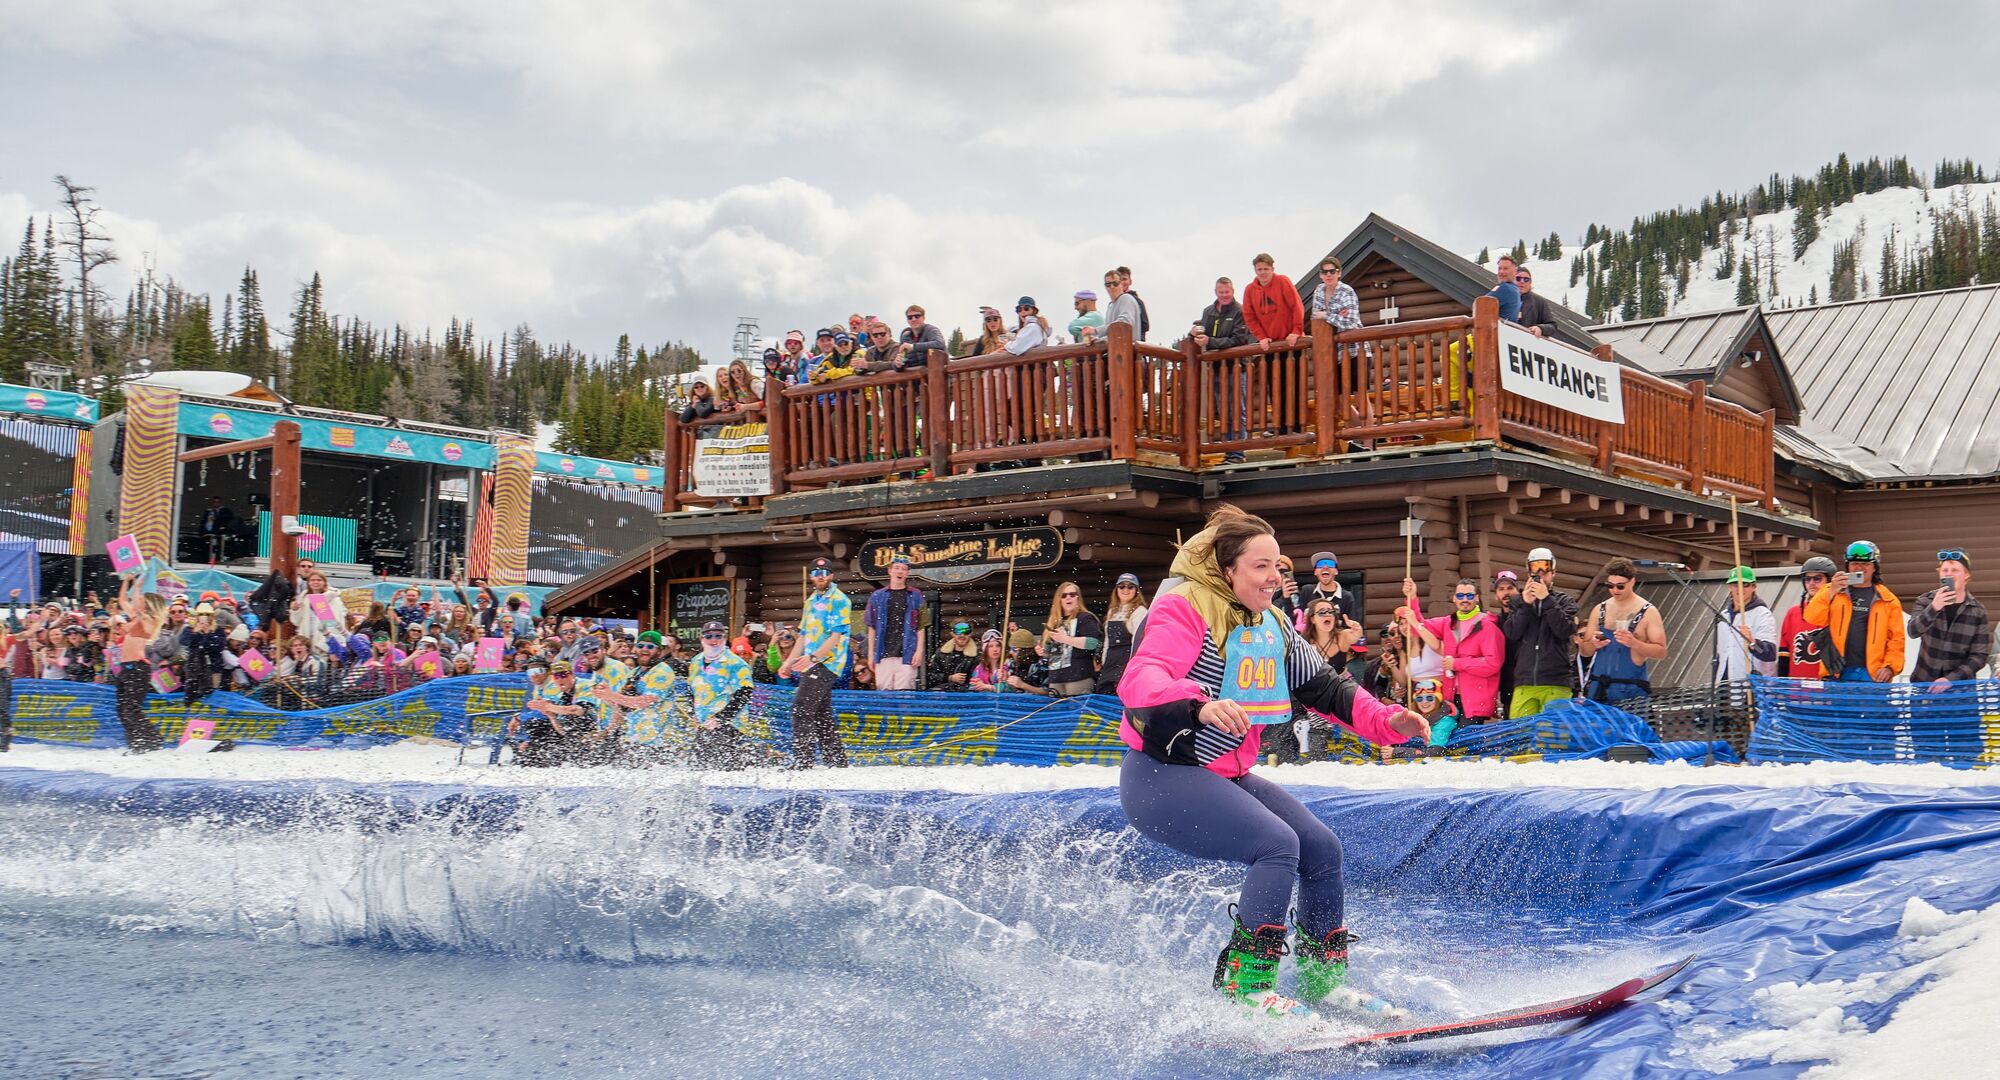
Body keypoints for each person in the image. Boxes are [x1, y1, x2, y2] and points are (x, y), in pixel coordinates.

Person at [1118, 505, 1425, 1018]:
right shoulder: (1182, 609)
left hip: (1227, 775)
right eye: (1260, 566)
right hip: (1161, 778)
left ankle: (1322, 981)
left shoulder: (1273, 624)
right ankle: (1246, 983)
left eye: (1279, 565)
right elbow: (1142, 678)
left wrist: (1386, 721)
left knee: (1320, 848)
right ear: (1227, 570)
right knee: (1277, 844)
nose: (1275, 576)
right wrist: (1198, 703)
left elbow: (1327, 687)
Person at [780, 557, 850, 768]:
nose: (820, 577)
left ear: (831, 575)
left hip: (827, 662)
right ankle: (837, 762)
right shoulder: (810, 601)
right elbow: (803, 636)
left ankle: (803, 763)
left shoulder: (840, 600)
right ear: (811, 576)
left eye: (824, 573)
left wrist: (812, 658)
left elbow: (835, 637)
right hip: (810, 662)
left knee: (800, 708)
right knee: (822, 714)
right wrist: (788, 663)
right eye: (816, 573)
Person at [1804, 540, 1905, 683]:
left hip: (1873, 675)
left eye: (1865, 563)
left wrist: (1890, 667)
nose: (1859, 567)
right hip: (1836, 672)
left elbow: (1897, 640)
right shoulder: (1832, 590)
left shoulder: (1888, 600)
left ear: (1874, 567)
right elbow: (1812, 618)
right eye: (1854, 563)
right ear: (1847, 566)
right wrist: (1831, 591)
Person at [1578, 557, 1667, 704]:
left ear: (1632, 581)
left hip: (1631, 691)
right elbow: (1584, 651)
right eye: (1610, 586)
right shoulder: (1599, 609)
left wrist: (1635, 643)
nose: (1614, 590)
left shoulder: (1648, 612)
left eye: (1620, 586)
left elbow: (1661, 652)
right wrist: (1593, 644)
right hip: (1599, 690)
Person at [1420, 578, 1507, 729]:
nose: (1465, 599)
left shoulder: (1488, 626)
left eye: (1469, 596)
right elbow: (1419, 625)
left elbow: (1493, 663)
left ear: (1477, 598)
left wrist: (1457, 663)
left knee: (1466, 745)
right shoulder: (1448, 623)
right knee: (1447, 741)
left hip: (1475, 701)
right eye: (1460, 596)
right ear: (1454, 598)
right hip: (1451, 698)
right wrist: (1412, 597)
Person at [1503, 547, 1578, 717]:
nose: (1540, 575)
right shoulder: (1518, 602)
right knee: (1521, 736)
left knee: (1553, 737)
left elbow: (1564, 630)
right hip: (1525, 681)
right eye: (1535, 570)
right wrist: (1526, 604)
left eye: (1545, 570)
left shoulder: (1565, 601)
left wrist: (1546, 600)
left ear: (1553, 572)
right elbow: (1512, 633)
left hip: (1556, 681)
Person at [1908, 549, 1990, 691]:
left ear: (1966, 575)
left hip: (1960, 691)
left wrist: (1950, 679)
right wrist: (1934, 607)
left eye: (1955, 570)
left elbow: (1979, 656)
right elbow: (1913, 631)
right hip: (1924, 685)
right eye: (1944, 570)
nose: (1949, 574)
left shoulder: (1978, 611)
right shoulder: (1926, 601)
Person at [1192, 277, 1254, 462]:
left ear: (1232, 291)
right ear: (1216, 292)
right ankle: (1229, 452)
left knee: (1237, 410)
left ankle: (1237, 452)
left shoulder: (1240, 311)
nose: (1225, 295)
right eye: (1221, 292)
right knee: (1223, 410)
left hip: (1236, 368)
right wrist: (1194, 333)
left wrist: (1210, 342)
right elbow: (1204, 333)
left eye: (1227, 292)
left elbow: (1238, 339)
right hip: (1216, 368)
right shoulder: (1208, 312)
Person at [595, 630, 682, 756]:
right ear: (635, 648)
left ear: (659, 651)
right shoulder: (633, 673)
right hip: (633, 741)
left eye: (650, 646)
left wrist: (611, 695)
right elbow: (620, 706)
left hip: (660, 744)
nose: (644, 649)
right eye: (641, 646)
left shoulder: (662, 671)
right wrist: (607, 732)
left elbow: (646, 701)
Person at [1296, 599, 1364, 760]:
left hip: (1341, 689)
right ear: (1312, 618)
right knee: (1317, 727)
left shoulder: (1342, 636)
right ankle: (1312, 752)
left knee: (1351, 724)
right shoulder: (1304, 643)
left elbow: (1355, 636)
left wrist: (1357, 630)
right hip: (1318, 693)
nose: (1327, 614)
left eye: (1330, 612)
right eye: (1322, 612)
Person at [688, 621, 758, 769]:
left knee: (722, 772)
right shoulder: (696, 661)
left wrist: (720, 719)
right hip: (704, 724)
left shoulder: (735, 663)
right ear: (702, 639)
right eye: (709, 636)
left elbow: (744, 693)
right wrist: (692, 713)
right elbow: (691, 689)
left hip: (729, 725)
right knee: (697, 769)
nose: (713, 640)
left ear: (724, 638)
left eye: (718, 636)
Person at [113, 574, 166, 753]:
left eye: (142, 600)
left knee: (131, 709)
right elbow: (122, 600)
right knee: (121, 709)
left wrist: (136, 588)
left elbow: (133, 603)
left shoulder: (149, 620)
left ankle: (151, 739)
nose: (138, 601)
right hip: (126, 668)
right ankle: (136, 743)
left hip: (137, 668)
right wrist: (127, 581)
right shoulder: (137, 617)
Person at [863, 555, 926, 691]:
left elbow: (921, 625)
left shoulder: (916, 595)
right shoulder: (877, 596)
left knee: (905, 695)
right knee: (884, 694)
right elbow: (871, 627)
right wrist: (870, 655)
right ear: (889, 571)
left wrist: (919, 651)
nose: (900, 571)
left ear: (907, 573)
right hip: (883, 653)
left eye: (904, 569)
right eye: (897, 568)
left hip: (906, 654)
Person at [1715, 567, 1780, 683]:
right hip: (1723, 685)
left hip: (1752, 686)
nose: (1740, 589)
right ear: (1729, 587)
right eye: (1735, 584)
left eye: (1745, 584)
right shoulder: (1723, 617)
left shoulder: (1763, 614)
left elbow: (1770, 654)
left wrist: (1753, 642)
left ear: (1754, 587)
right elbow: (1720, 655)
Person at [1039, 581, 1102, 697]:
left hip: (1079, 676)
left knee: (1078, 713)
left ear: (1077, 597)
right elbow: (1048, 653)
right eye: (1064, 595)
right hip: (1055, 678)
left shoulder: (1085, 618)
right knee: (1057, 714)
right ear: (1059, 600)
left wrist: (1065, 639)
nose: (1068, 597)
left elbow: (1093, 643)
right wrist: (1042, 650)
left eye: (1072, 594)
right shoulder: (1054, 621)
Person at [1779, 556, 1837, 677]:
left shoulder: (1840, 611)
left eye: (1817, 578)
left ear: (1830, 580)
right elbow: (1784, 654)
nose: (1811, 583)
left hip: (1828, 689)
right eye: (1807, 579)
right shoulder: (1793, 613)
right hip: (1797, 689)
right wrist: (1782, 687)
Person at [1094, 573, 1149, 694]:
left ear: (1136, 590)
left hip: (1127, 661)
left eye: (1130, 587)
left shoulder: (1140, 611)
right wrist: (1104, 661)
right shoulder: (1112, 611)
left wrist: (1133, 665)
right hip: (1110, 661)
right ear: (1116, 589)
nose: (1125, 589)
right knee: (1104, 693)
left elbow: (1139, 641)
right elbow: (1108, 640)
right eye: (1121, 586)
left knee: (1123, 695)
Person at [1243, 253, 1304, 348]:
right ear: (1255, 271)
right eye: (1259, 269)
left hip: (1291, 340)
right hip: (1269, 344)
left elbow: (1296, 306)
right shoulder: (1249, 290)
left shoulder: (1283, 281)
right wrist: (1261, 337)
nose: (1263, 272)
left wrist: (1296, 331)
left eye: (1266, 269)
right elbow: (1249, 317)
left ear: (1272, 269)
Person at [289, 570, 348, 652]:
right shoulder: (303, 599)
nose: (315, 582)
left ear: (324, 582)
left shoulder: (334, 599)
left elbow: (337, 622)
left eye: (319, 580)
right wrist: (295, 610)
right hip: (306, 640)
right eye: (313, 580)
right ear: (309, 583)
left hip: (324, 640)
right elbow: (296, 622)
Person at [1310, 258, 1362, 333]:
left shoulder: (1346, 290)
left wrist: (1326, 315)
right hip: (1327, 341)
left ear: (1339, 273)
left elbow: (1351, 322)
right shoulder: (1319, 290)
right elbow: (1315, 316)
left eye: (1332, 271)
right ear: (1320, 275)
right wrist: (1337, 316)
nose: (1328, 274)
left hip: (1352, 342)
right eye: (1325, 272)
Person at [930, 621, 980, 690]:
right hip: (940, 694)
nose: (962, 635)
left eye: (966, 631)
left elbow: (975, 683)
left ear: (970, 634)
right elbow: (930, 676)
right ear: (952, 634)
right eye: (958, 631)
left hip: (964, 695)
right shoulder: (940, 653)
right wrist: (949, 678)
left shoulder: (976, 657)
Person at [1514, 267, 1556, 338]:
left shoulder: (1539, 302)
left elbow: (1552, 326)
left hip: (1527, 344)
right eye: (1518, 278)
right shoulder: (1504, 297)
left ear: (1530, 283)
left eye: (1526, 279)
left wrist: (1540, 328)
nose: (1522, 281)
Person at [199, 495, 236, 562]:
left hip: (219, 534)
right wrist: (202, 533)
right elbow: (204, 522)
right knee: (208, 549)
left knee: (217, 549)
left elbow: (227, 520)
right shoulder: (208, 512)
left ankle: (216, 560)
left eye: (217, 502)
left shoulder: (225, 511)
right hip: (208, 534)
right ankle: (208, 560)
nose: (216, 504)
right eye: (214, 502)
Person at [1488, 254, 1522, 323]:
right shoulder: (1516, 289)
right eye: (1499, 268)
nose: (1501, 272)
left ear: (1515, 272)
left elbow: (1480, 305)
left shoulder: (1505, 288)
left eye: (1505, 268)